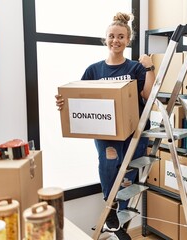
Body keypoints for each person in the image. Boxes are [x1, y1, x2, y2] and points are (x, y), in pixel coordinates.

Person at [56, 12, 155, 240]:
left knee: (128, 175)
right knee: (110, 165)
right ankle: (110, 211)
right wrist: (63, 102)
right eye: (111, 36)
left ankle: (118, 224)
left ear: (128, 40)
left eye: (121, 36)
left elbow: (148, 96)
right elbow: (77, 97)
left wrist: (149, 68)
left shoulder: (135, 68)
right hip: (106, 133)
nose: (116, 40)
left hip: (134, 133)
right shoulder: (94, 70)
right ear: (105, 39)